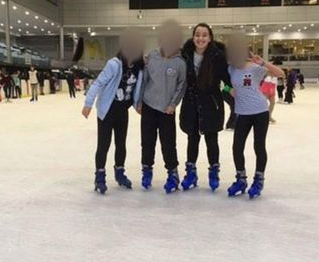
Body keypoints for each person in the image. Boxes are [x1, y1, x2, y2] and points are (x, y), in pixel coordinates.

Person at [82, 29, 145, 194]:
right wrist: (88, 103)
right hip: (107, 110)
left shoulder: (139, 68)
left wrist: (138, 104)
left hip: (122, 111)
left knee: (121, 144)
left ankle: (119, 172)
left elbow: (137, 89)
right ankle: (100, 176)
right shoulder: (114, 64)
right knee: (104, 144)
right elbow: (98, 83)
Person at [225, 34, 285, 199]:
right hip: (242, 113)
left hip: (259, 112)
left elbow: (280, 73)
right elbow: (222, 84)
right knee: (237, 147)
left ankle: (258, 179)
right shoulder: (230, 69)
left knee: (259, 146)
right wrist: (229, 91)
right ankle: (241, 179)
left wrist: (263, 62)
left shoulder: (255, 67)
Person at [179, 23, 231, 192]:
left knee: (211, 140)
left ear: (210, 38)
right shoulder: (184, 54)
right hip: (191, 102)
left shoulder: (218, 56)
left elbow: (227, 81)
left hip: (211, 103)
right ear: (193, 37)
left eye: (204, 35)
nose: (200, 38)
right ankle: (191, 173)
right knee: (192, 139)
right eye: (198, 35)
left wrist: (231, 91)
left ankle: (214, 172)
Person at [138, 19, 187, 194]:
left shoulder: (180, 63)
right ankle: (146, 170)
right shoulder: (152, 56)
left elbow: (182, 85)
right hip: (149, 106)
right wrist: (139, 101)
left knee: (168, 143)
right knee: (147, 142)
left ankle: (173, 173)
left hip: (167, 110)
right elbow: (144, 80)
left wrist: (173, 104)